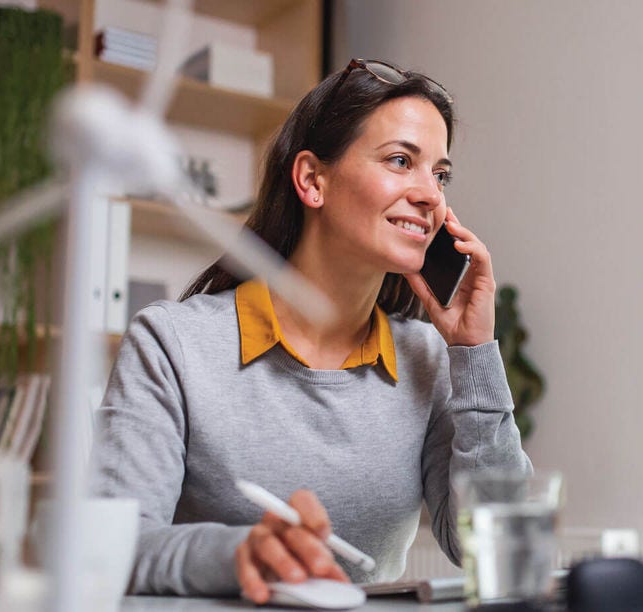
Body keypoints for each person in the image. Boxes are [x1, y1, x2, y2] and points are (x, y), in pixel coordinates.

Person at [91, 59, 533, 602]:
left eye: (439, 175)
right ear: (311, 180)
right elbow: (111, 551)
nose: (431, 196)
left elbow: (497, 550)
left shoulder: (428, 358)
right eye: (401, 161)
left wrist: (473, 353)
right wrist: (238, 555)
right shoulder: (171, 344)